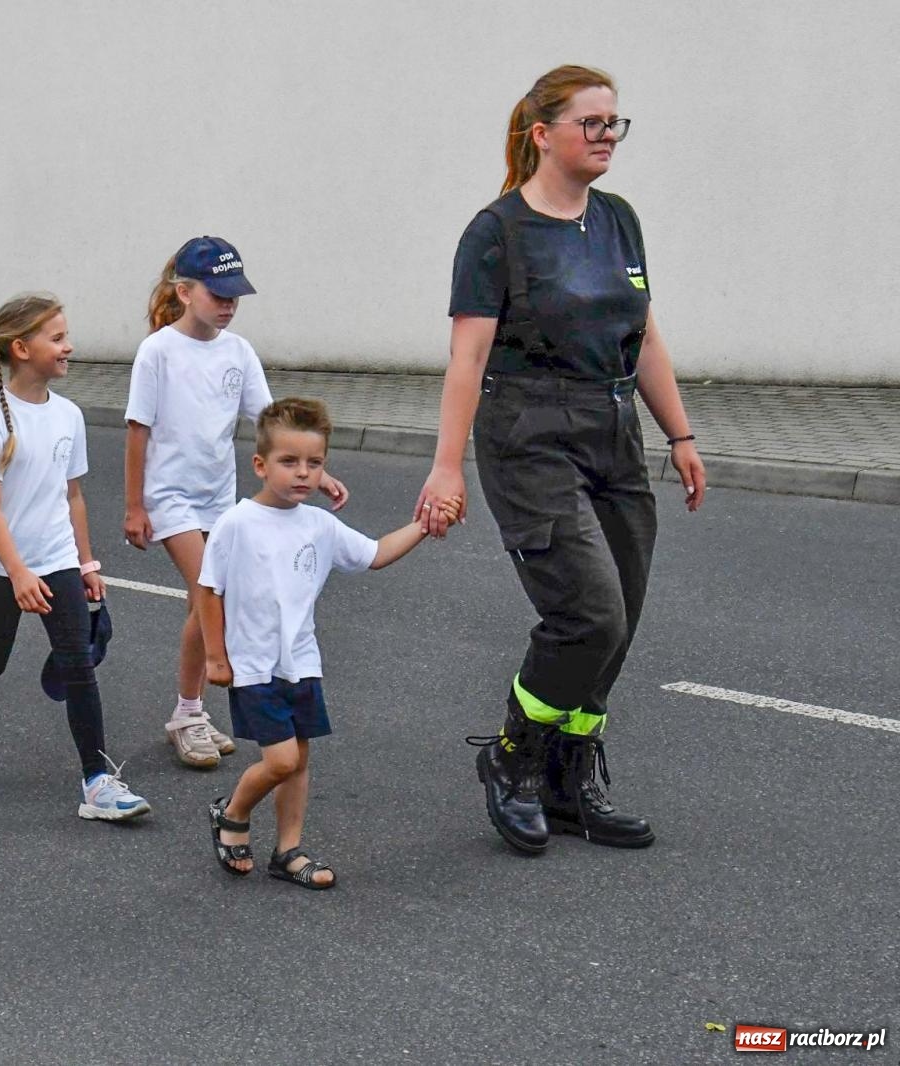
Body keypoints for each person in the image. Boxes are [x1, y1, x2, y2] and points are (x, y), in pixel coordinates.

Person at [417, 64, 707, 856]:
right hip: (528, 431)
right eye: (592, 123)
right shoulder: (496, 232)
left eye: (616, 123)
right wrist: (446, 467)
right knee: (588, 612)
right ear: (543, 133)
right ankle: (512, 758)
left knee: (623, 618)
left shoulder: (618, 219)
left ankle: (568, 777)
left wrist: (679, 434)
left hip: (613, 427)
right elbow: (466, 360)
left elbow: (643, 332)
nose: (607, 136)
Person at [202, 399, 458, 889]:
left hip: (302, 663)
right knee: (280, 761)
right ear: (260, 465)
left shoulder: (319, 525)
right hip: (254, 666)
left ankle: (288, 851)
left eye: (314, 463)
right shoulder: (237, 523)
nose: (303, 473)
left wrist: (425, 524)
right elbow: (208, 589)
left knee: (298, 760)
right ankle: (232, 814)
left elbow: (376, 554)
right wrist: (217, 656)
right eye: (289, 462)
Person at [124, 236, 349, 770]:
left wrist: (315, 475)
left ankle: (191, 708)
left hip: (218, 498)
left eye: (234, 297)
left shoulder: (238, 352)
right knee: (211, 599)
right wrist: (135, 506)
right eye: (217, 294)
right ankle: (188, 713)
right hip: (170, 498)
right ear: (183, 291)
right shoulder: (158, 351)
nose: (227, 305)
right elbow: (138, 430)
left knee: (202, 603)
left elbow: (272, 426)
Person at [0, 292, 149, 822]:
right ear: (21, 348)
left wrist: (86, 563)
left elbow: (72, 496)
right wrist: (18, 571)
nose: (70, 346)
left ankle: (98, 783)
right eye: (58, 338)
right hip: (4, 567)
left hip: (58, 560)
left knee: (79, 666)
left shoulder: (69, 415)